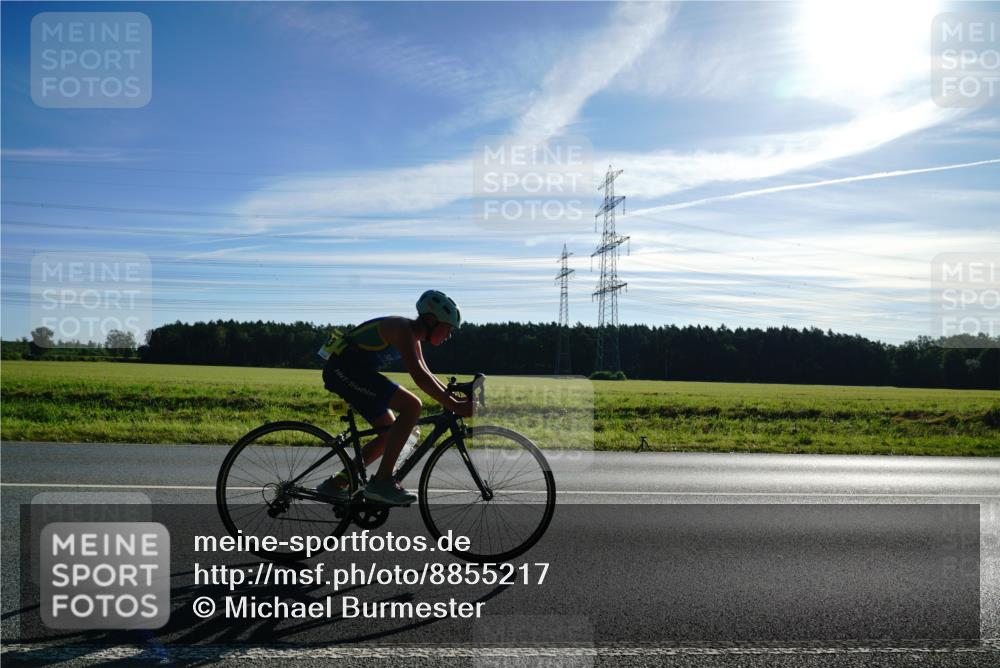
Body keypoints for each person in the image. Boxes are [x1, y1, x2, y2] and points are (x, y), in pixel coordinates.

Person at [316, 290, 473, 505]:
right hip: (343, 371)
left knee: (390, 434)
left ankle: (335, 484)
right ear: (431, 321)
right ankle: (382, 482)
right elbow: (419, 377)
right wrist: (454, 405)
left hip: (356, 372)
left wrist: (453, 397)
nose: (449, 335)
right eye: (448, 328)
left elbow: (427, 374)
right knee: (412, 406)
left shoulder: (413, 337)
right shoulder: (401, 329)